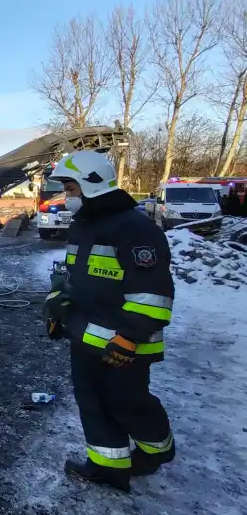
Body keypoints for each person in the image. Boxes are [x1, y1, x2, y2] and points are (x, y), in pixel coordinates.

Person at [43, 150, 175, 493]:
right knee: (92, 403)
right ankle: (109, 468)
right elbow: (77, 279)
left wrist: (130, 337)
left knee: (126, 403)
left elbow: (153, 293)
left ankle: (155, 449)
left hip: (123, 344)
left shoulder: (134, 228)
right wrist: (62, 308)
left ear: (92, 185)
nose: (66, 196)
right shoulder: (86, 225)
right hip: (85, 338)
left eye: (70, 188)